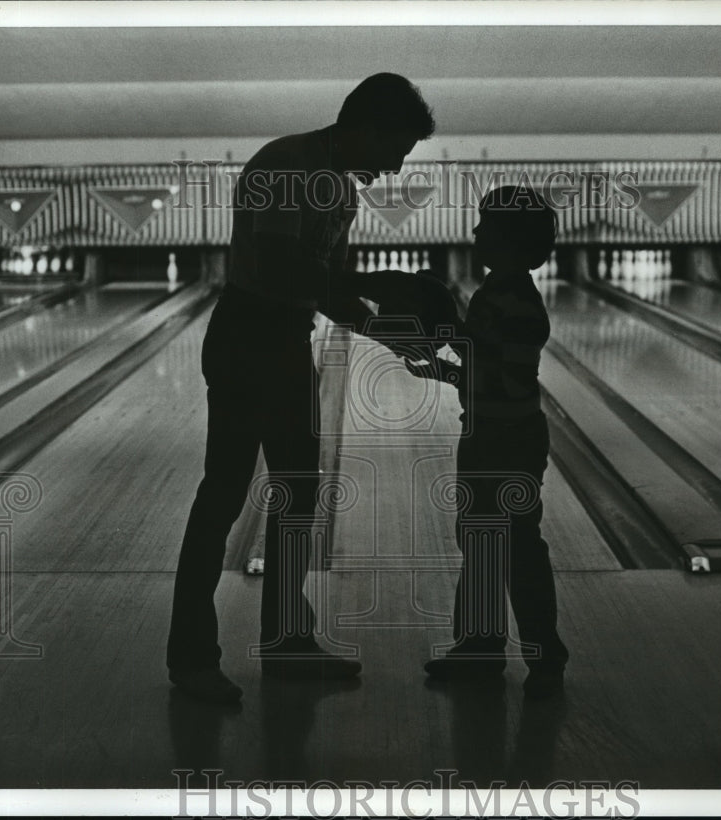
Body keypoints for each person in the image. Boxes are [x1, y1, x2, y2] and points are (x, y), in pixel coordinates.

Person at [166, 73, 435, 703]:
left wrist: (389, 329)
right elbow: (284, 262)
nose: (393, 170)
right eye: (394, 152)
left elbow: (333, 292)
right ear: (365, 128)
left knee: (298, 494)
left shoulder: (341, 192)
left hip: (284, 340)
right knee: (224, 495)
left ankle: (288, 643)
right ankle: (191, 657)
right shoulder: (287, 165)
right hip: (245, 335)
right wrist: (384, 283)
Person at [406, 185, 569, 699]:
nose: (474, 233)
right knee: (486, 543)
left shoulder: (511, 300)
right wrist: (444, 365)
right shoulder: (499, 293)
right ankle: (482, 647)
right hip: (494, 432)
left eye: (486, 227)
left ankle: (535, 652)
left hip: (504, 440)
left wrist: (448, 330)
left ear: (512, 242)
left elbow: (496, 367)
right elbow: (488, 368)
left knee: (512, 546)